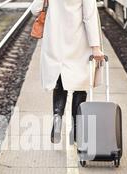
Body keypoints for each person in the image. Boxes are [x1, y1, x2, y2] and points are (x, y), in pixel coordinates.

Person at [30, 0, 105, 143]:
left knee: (59, 79)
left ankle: (57, 117)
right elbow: (89, 16)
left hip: (55, 39)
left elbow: (35, 9)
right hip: (79, 39)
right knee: (81, 83)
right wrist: (95, 46)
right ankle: (76, 129)